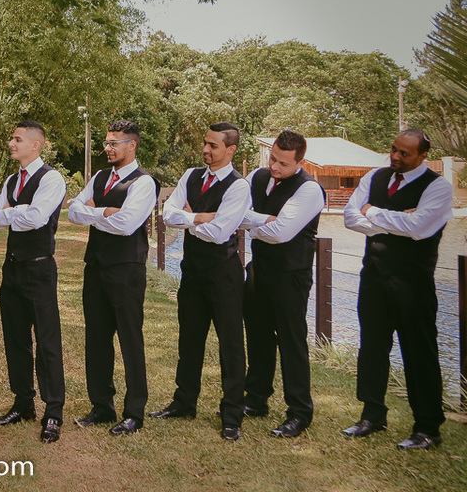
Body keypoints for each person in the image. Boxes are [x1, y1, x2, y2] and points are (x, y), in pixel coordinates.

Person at [342, 129, 453, 450]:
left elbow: (417, 227)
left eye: (404, 153)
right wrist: (394, 220)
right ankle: (372, 416)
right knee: (372, 349)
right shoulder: (374, 177)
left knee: (419, 354)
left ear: (422, 156)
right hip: (373, 279)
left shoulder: (438, 187)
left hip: (413, 286)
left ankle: (427, 428)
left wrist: (371, 212)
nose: (395, 156)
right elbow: (349, 217)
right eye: (394, 149)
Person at [151, 122, 252, 441]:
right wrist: (202, 217)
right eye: (205, 143)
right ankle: (184, 403)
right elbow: (167, 215)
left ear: (231, 150)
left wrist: (189, 220)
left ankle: (232, 414)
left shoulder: (239, 187)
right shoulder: (190, 176)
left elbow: (220, 233)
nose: (206, 150)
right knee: (189, 339)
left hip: (224, 274)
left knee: (231, 345)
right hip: (192, 270)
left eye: (213, 145)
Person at [67, 119, 157, 437]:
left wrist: (94, 211)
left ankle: (134, 413)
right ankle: (102, 406)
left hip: (127, 270)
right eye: (106, 142)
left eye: (113, 143)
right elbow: (72, 211)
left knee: (130, 340)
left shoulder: (144, 182)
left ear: (131, 145)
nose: (107, 148)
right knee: (97, 338)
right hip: (96, 266)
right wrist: (105, 211)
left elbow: (127, 224)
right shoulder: (100, 177)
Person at [0, 120, 67, 443]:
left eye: (17, 139)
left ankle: (54, 411)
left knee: (47, 341)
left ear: (36, 145)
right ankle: (23, 403)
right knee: (15, 338)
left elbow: (36, 219)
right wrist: (16, 212)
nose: (11, 143)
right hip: (12, 270)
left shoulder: (51, 179)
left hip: (39, 270)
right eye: (12, 138)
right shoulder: (11, 180)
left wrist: (11, 211)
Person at [240, 129, 324, 439]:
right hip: (259, 270)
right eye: (273, 159)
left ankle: (299, 412)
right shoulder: (257, 177)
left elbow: (281, 233)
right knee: (258, 336)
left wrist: (251, 223)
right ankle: (256, 399)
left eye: (283, 164)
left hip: (291, 275)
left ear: (300, 162)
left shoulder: (310, 190)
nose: (275, 167)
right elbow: (235, 213)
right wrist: (265, 220)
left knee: (291, 342)